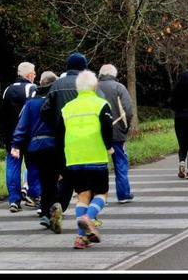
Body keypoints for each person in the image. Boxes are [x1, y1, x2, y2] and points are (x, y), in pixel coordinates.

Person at [41, 52, 103, 224]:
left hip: (63, 140)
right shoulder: (90, 85)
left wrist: (56, 125)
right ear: (84, 68)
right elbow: (102, 106)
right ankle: (90, 215)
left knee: (67, 176)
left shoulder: (57, 85)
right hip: (88, 139)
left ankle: (55, 208)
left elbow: (44, 111)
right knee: (89, 178)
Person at [57, 70, 114, 249]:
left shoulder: (67, 108)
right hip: (95, 156)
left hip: (73, 158)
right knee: (101, 194)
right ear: (95, 86)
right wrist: (109, 147)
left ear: (77, 88)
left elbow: (59, 135)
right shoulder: (101, 104)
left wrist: (61, 162)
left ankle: (81, 239)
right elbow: (107, 129)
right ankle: (88, 218)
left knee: (82, 195)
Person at [10, 71, 60, 229]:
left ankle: (44, 211)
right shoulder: (56, 101)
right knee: (52, 180)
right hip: (52, 146)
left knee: (43, 180)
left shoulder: (31, 103)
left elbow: (22, 126)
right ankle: (49, 210)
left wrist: (16, 144)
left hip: (34, 147)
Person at [0, 61, 40, 213]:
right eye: (34, 72)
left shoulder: (7, 90)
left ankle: (14, 200)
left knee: (12, 166)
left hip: (11, 136)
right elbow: (34, 111)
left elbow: (2, 115)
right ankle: (34, 195)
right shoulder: (32, 88)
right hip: (28, 135)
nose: (35, 75)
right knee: (33, 165)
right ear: (29, 75)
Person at [97, 64, 134, 203]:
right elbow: (128, 111)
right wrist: (125, 128)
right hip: (117, 132)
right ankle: (123, 194)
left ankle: (100, 197)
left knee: (99, 166)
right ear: (114, 74)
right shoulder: (119, 88)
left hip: (97, 133)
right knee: (120, 163)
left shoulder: (94, 88)